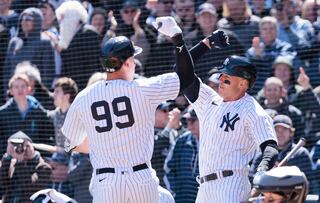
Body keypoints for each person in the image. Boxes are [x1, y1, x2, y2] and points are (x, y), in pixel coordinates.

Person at [61, 16, 194, 203]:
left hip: (107, 182)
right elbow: (186, 77)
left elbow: (71, 143)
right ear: (127, 62)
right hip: (141, 178)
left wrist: (103, 142)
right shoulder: (143, 88)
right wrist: (177, 38)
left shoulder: (84, 96)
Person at [179, 52, 278, 202]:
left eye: (227, 78)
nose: (220, 80)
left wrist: (263, 169)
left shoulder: (252, 110)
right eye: (221, 76)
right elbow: (182, 73)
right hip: (204, 187)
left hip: (231, 184)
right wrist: (203, 44)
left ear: (243, 84)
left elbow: (270, 147)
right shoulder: (210, 101)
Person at [0, 131, 52, 203]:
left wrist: (20, 161)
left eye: (27, 146)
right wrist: (7, 157)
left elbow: (30, 188)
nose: (23, 150)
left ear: (33, 146)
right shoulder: (12, 165)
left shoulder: (44, 167)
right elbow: (2, 186)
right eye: (17, 147)